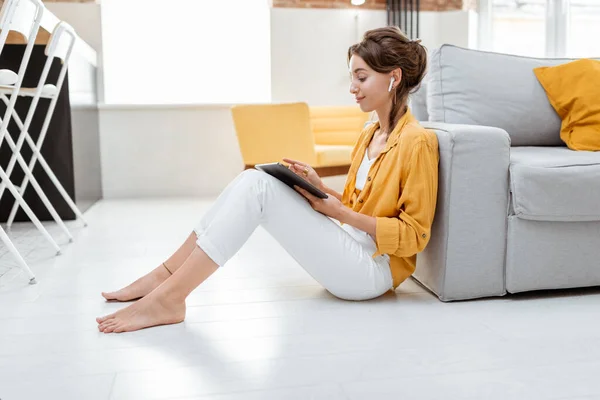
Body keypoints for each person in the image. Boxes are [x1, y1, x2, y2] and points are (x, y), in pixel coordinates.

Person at [96, 26, 439, 334]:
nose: (352, 88)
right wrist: (319, 187)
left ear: (393, 77)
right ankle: (165, 277)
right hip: (348, 246)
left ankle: (169, 297)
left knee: (258, 188)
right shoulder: (369, 134)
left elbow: (415, 236)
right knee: (253, 180)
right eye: (352, 78)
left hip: (371, 272)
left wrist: (340, 214)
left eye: (361, 78)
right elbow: (355, 204)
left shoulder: (416, 141)